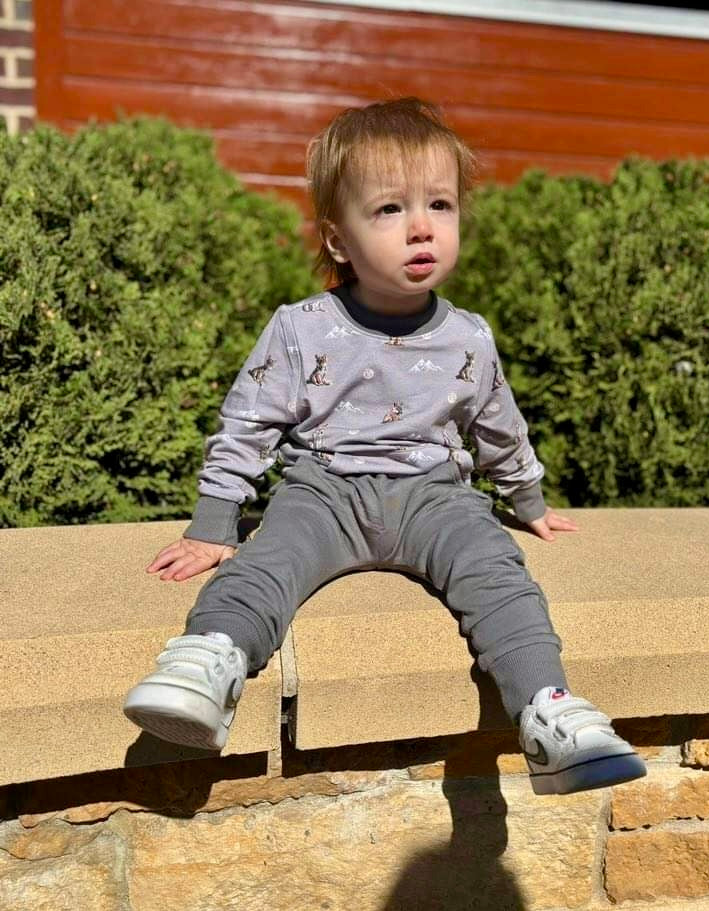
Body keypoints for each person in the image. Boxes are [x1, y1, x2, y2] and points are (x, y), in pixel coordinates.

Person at [123, 98, 646, 795]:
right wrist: (214, 524)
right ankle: (208, 661)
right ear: (339, 240)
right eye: (390, 209)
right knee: (265, 567)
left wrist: (527, 500)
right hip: (323, 494)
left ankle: (549, 714)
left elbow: (499, 425)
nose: (422, 226)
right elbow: (248, 423)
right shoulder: (302, 328)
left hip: (437, 499)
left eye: (440, 204)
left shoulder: (468, 336)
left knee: (500, 578)